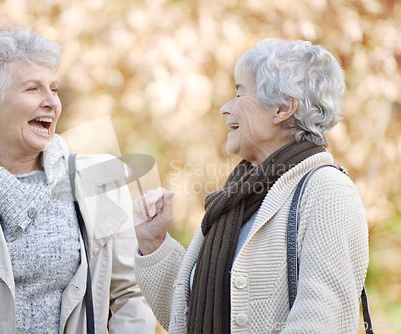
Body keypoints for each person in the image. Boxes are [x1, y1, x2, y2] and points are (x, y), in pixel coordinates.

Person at [0, 22, 155, 334]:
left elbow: (132, 296)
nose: (51, 101)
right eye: (32, 89)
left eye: (54, 88)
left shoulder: (98, 182)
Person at [133, 38, 369, 333]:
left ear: (282, 109)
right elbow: (187, 317)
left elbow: (320, 322)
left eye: (239, 93)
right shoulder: (238, 198)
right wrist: (153, 243)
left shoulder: (328, 191)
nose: (224, 109)